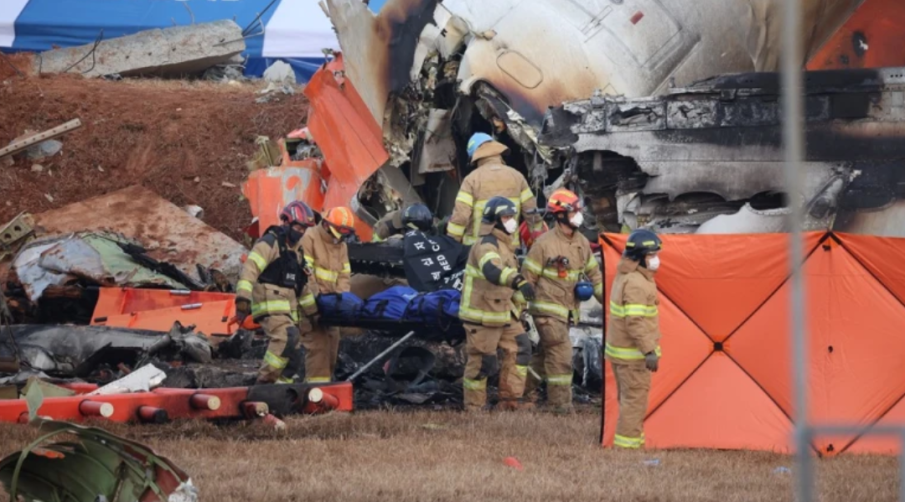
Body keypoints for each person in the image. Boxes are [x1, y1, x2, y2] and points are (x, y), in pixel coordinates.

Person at [521, 188, 604, 413]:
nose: (579, 215)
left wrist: (609, 302)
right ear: (560, 215)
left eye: (579, 210)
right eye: (574, 211)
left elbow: (595, 276)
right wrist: (519, 311)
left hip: (567, 311)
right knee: (561, 356)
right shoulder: (543, 245)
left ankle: (519, 392)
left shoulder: (581, 243)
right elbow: (527, 279)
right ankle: (560, 406)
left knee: (544, 356)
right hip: (547, 312)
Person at [458, 196, 536, 412]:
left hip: (503, 313)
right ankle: (474, 410)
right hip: (482, 316)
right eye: (507, 217)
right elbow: (492, 272)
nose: (512, 221)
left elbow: (506, 287)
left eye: (513, 216)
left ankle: (510, 403)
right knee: (483, 363)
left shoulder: (505, 245)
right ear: (495, 220)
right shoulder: (486, 244)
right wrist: (518, 281)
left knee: (521, 350)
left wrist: (520, 305)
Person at [235, 201, 318, 384]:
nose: (301, 232)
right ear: (286, 223)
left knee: (295, 352)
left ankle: (280, 392)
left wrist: (313, 313)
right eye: (298, 226)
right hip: (268, 303)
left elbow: (302, 286)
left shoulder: (297, 253)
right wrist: (242, 298)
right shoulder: (270, 243)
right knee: (285, 337)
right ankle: (263, 384)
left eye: (304, 228)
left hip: (288, 310)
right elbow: (250, 269)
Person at [605, 228, 663, 449]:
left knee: (630, 402)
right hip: (633, 356)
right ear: (639, 257)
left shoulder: (627, 276)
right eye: (651, 255)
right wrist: (649, 350)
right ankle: (627, 452)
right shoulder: (637, 283)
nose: (656, 260)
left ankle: (633, 446)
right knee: (634, 403)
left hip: (622, 353)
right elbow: (635, 321)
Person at [447, 132, 543, 247]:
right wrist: (538, 241)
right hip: (510, 248)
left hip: (478, 250)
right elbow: (531, 213)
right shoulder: (517, 176)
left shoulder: (471, 180)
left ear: (475, 156)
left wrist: (451, 245)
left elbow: (461, 217)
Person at [299, 206, 355, 383]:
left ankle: (327, 391)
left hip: (332, 307)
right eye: (337, 233)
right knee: (318, 350)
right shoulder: (309, 238)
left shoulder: (341, 245)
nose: (338, 238)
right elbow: (306, 275)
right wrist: (317, 304)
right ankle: (316, 396)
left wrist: (340, 300)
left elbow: (345, 274)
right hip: (312, 305)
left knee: (332, 348)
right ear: (326, 225)